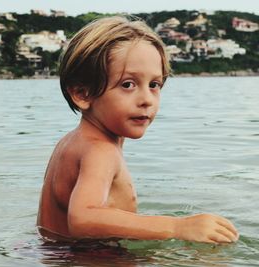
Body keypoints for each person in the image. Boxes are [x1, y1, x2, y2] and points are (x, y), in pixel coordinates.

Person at [36, 16, 239, 244]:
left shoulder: (71, 142)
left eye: (154, 85)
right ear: (83, 94)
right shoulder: (100, 151)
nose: (146, 100)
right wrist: (177, 227)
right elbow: (82, 218)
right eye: (128, 84)